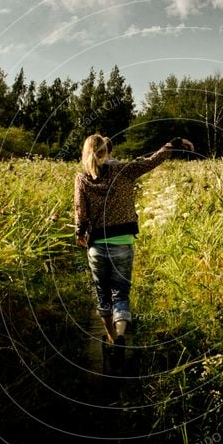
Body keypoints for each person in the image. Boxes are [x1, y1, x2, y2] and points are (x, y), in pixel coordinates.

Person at [74, 134, 193, 366]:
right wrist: (174, 143)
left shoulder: (82, 178)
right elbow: (152, 161)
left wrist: (80, 234)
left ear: (86, 152)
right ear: (108, 150)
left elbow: (80, 212)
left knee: (103, 295)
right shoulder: (124, 170)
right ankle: (120, 337)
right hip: (123, 243)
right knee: (121, 294)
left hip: (97, 246)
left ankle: (110, 339)